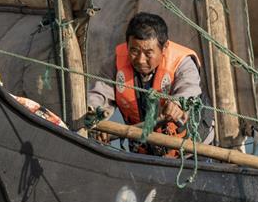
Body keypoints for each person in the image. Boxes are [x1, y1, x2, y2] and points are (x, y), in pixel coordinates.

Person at [86, 12, 214, 157]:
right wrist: (97, 120)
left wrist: (178, 104)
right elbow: (98, 96)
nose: (140, 60)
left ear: (164, 48)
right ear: (127, 44)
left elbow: (189, 90)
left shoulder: (182, 62)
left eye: (148, 53)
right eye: (134, 51)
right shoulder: (114, 64)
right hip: (145, 151)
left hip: (193, 150)